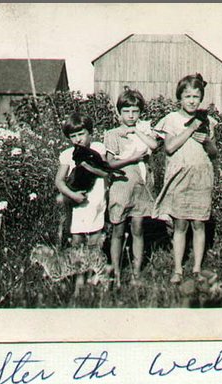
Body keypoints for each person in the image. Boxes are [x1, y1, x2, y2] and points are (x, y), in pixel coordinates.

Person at [154, 73, 218, 283]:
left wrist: (207, 141)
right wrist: (190, 129)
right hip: (180, 177)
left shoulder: (207, 120)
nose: (192, 100)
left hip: (201, 176)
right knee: (180, 225)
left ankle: (197, 268)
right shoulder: (172, 120)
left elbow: (213, 152)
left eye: (196, 97)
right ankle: (178, 269)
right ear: (180, 98)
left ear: (201, 99)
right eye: (187, 96)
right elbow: (170, 147)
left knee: (199, 224)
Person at [104, 88, 159, 285]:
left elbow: (153, 146)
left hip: (141, 186)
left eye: (135, 111)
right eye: (126, 111)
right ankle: (116, 273)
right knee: (118, 230)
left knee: (138, 227)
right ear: (119, 113)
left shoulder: (143, 131)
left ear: (140, 113)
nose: (131, 115)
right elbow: (109, 163)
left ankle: (136, 273)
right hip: (121, 185)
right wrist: (132, 158)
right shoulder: (112, 134)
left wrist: (137, 130)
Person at [55, 112, 107, 248]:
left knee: (95, 241)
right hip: (78, 201)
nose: (78, 139)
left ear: (90, 133)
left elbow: (105, 172)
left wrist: (86, 166)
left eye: (81, 134)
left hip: (96, 200)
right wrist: (73, 195)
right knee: (77, 239)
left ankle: (93, 268)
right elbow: (59, 181)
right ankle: (78, 268)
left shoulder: (98, 148)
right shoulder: (67, 155)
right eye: (73, 136)